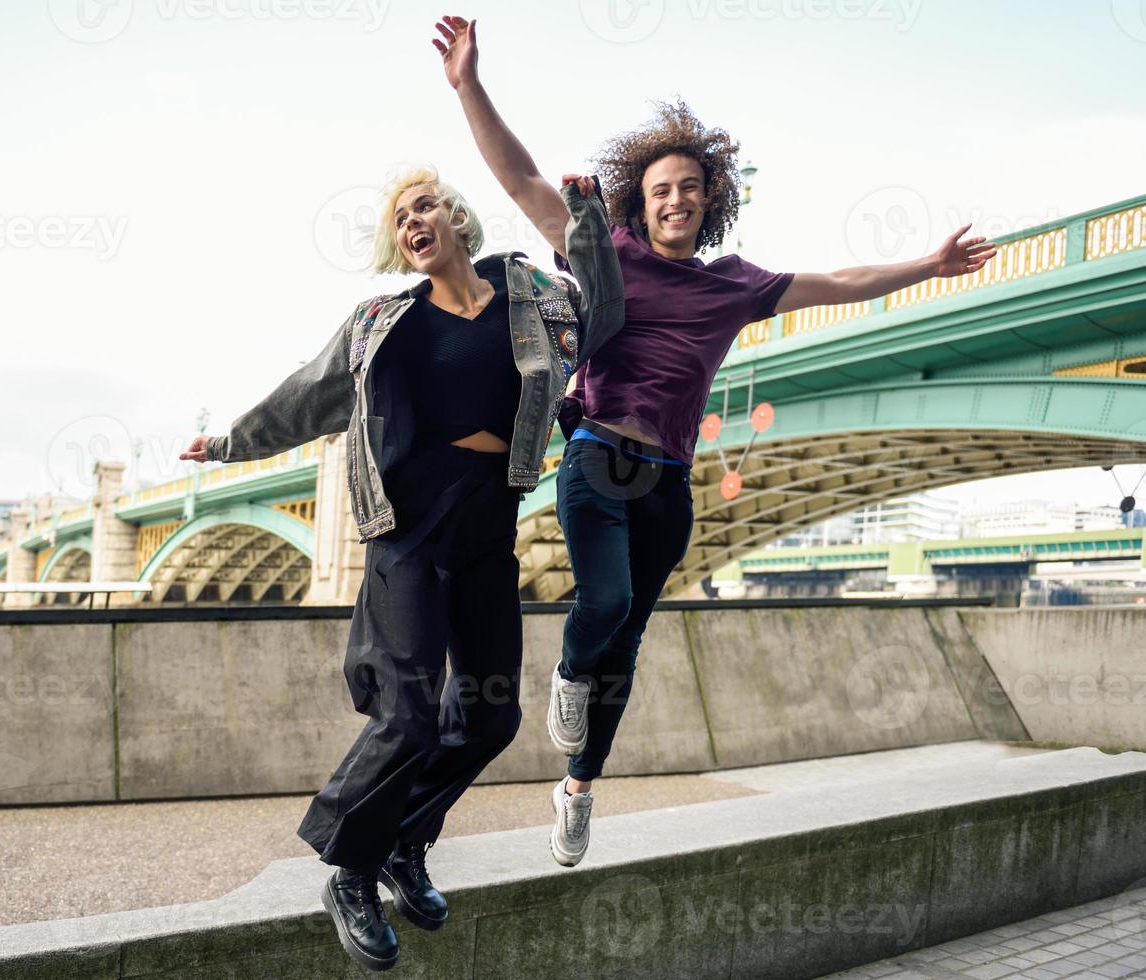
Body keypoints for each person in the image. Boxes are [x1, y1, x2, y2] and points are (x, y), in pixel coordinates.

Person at [432, 13, 997, 869]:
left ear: (709, 199)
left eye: (689, 188)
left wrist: (927, 264)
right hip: (596, 460)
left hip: (669, 481)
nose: (675, 199)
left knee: (629, 641)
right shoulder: (605, 253)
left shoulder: (735, 285)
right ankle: (567, 678)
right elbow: (519, 181)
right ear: (640, 199)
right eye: (661, 189)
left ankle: (578, 787)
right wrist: (470, 84)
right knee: (606, 607)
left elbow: (838, 281)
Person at [181, 164, 622, 971]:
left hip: (489, 521)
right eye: (400, 219)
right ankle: (352, 868)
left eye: (424, 207)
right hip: (407, 527)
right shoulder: (382, 320)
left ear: (455, 218)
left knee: (491, 717)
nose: (412, 222)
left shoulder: (532, 298)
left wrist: (588, 214)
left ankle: (403, 842)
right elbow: (306, 397)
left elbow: (604, 312)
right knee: (411, 714)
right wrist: (228, 443)